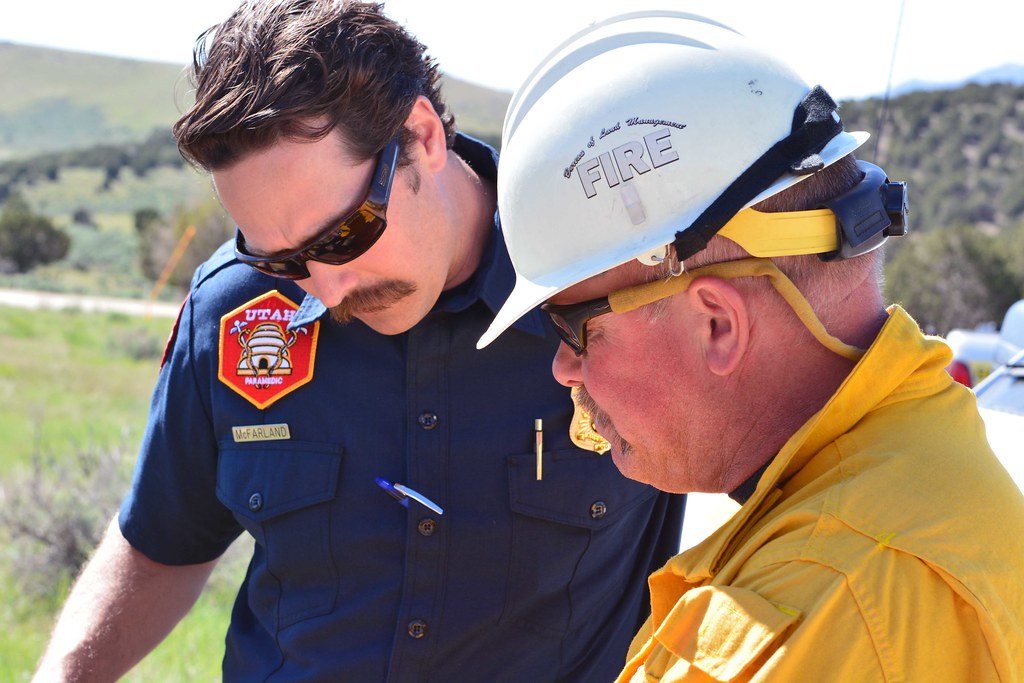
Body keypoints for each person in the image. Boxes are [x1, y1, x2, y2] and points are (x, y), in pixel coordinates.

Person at [32, 2, 685, 681]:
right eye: (282, 260)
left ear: (422, 136)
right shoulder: (234, 314)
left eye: (345, 234)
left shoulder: (615, 288)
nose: (326, 289)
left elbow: (792, 497)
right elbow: (161, 545)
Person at [478, 9, 1024, 681]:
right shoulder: (909, 471)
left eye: (576, 329)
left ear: (718, 324)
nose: (563, 367)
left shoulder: (826, 603)